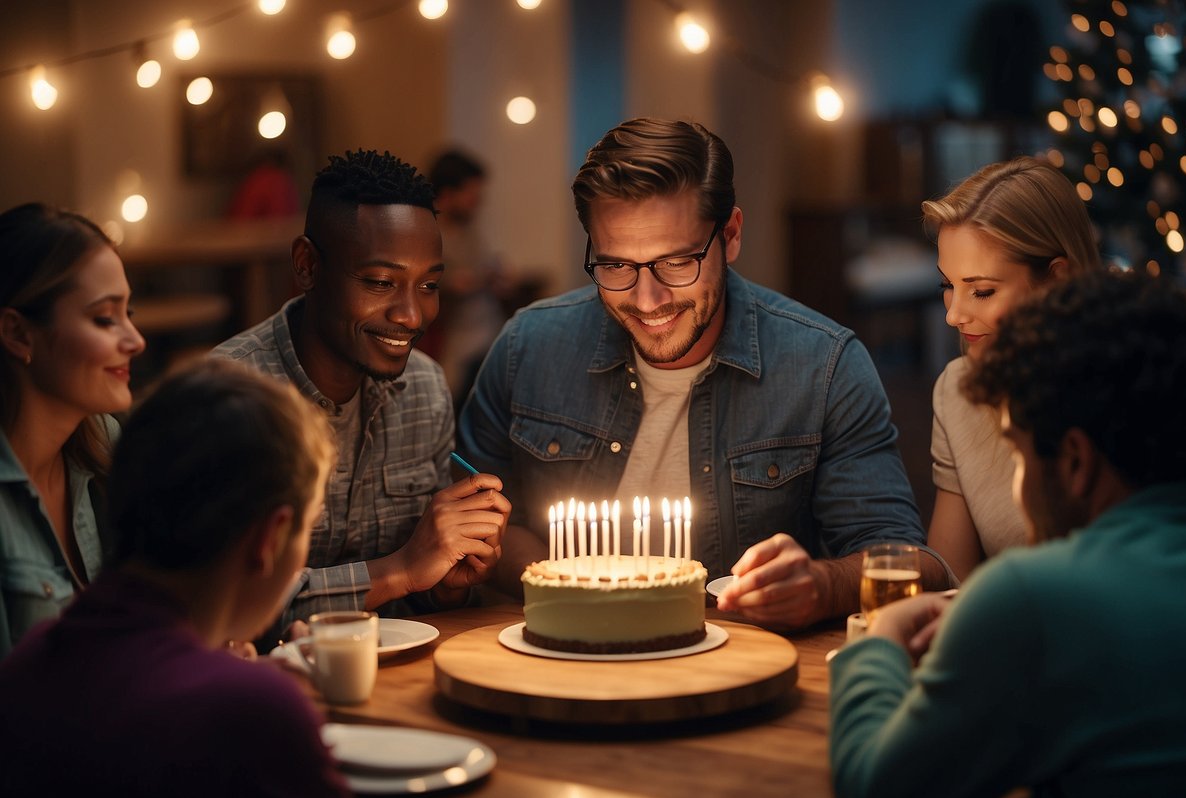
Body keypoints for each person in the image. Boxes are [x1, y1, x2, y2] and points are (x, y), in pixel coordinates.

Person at [458, 118, 953, 630]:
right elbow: (482, 520)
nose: (647, 301)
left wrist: (823, 585)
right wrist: (566, 590)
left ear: (731, 235)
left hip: (740, 674)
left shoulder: (823, 365)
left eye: (676, 263)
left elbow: (909, 561)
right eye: (617, 266)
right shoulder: (527, 347)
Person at [829, 269, 1186, 798]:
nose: (1019, 486)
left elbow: (875, 797)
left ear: (1075, 462)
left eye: (1018, 453)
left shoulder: (1036, 599)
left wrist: (880, 641)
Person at [0, 360, 367, 798]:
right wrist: (262, 702)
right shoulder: (255, 711)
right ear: (270, 539)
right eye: (307, 526)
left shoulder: (26, 665)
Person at [213, 149, 510, 641]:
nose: (412, 315)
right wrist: (399, 570)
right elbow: (226, 603)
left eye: (429, 284)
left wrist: (449, 580)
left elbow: (423, 595)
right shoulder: (228, 401)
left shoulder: (425, 389)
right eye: (380, 282)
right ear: (307, 266)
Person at [923, 157, 1101, 581]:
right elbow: (953, 582)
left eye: (982, 291)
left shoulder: (1126, 390)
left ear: (1057, 280)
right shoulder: (957, 390)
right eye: (949, 286)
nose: (954, 316)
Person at [0, 202, 146, 658]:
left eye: (129, 313)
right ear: (19, 334)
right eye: (105, 318)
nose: (135, 340)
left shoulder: (104, 440)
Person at [420, 148, 510, 411]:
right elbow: (438, 285)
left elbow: (486, 267)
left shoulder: (470, 231)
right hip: (453, 345)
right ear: (448, 194)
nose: (478, 202)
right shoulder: (426, 233)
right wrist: (468, 281)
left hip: (486, 337)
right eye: (472, 195)